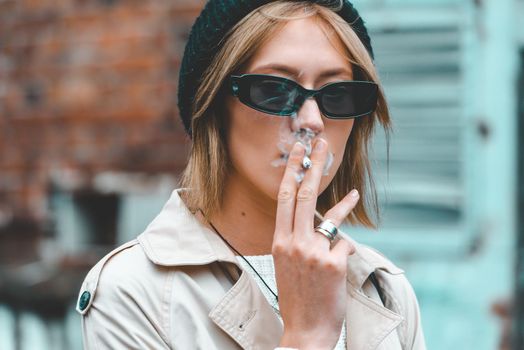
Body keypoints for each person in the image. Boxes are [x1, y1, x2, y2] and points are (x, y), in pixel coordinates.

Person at [76, 0, 427, 349]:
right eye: (275, 90)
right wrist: (306, 338)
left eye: (338, 95)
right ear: (214, 106)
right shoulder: (134, 293)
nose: (312, 121)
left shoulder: (385, 288)